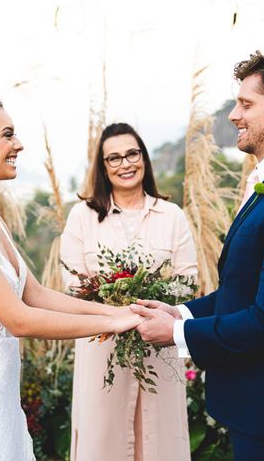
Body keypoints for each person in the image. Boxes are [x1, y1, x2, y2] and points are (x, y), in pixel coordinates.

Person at [131, 51, 264, 461]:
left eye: (246, 104)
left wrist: (175, 335)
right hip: (259, 411)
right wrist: (182, 314)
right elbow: (245, 291)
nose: (233, 115)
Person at [0, 93, 141, 461]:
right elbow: (18, 319)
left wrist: (116, 310)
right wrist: (115, 324)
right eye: (7, 134)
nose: (18, 144)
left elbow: (36, 295)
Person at [60, 122, 197, 461]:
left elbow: (188, 281)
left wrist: (150, 306)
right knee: (103, 440)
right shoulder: (82, 217)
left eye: (132, 154)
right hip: (102, 348)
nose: (125, 164)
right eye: (114, 158)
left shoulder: (172, 215)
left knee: (160, 440)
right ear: (103, 167)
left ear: (144, 158)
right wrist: (117, 309)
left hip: (159, 345)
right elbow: (73, 283)